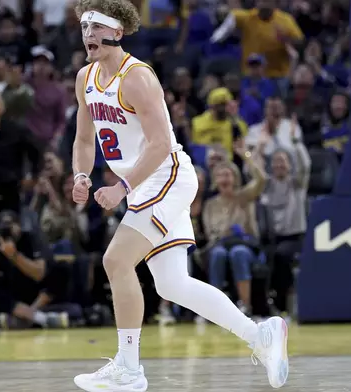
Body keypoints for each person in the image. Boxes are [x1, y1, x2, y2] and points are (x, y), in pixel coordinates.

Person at [70, 1, 289, 391]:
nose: (88, 34)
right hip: (143, 183)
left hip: (164, 175)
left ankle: (129, 369)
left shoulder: (137, 78)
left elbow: (157, 145)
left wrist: (121, 187)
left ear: (117, 33)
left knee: (116, 261)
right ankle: (261, 336)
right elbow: (85, 138)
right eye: (84, 26)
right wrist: (82, 175)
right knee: (171, 285)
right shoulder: (85, 77)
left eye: (97, 26)